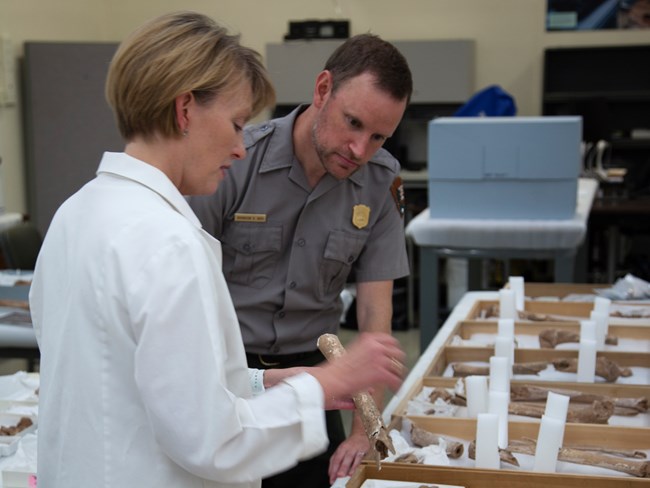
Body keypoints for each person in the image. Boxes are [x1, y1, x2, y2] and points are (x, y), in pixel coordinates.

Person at [29, 11, 406, 488]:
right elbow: (215, 442)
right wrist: (323, 382)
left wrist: (266, 383)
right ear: (186, 110)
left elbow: (146, 375)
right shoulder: (169, 242)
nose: (240, 148)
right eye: (236, 123)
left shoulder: (76, 213)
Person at [188, 33, 413, 486]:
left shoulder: (380, 184)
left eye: (378, 137)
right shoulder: (235, 162)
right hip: (227, 380)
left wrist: (364, 432)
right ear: (323, 89)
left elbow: (374, 319)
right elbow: (182, 287)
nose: (359, 150)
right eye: (352, 123)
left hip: (315, 383)